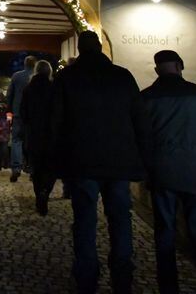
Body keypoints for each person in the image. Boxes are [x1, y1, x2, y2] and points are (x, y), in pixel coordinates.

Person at [50, 31, 149, 294]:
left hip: (82, 161)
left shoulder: (67, 78)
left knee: (84, 219)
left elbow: (55, 123)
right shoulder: (123, 76)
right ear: (101, 48)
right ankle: (122, 273)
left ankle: (86, 275)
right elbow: (139, 118)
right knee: (120, 217)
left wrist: (55, 159)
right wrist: (142, 157)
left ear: (80, 50)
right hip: (119, 162)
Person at [141, 50, 196, 294]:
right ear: (181, 66)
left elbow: (141, 139)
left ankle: (168, 286)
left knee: (165, 232)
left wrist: (148, 169)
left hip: (163, 174)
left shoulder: (146, 98)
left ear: (157, 69)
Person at [19, 59, 56, 215]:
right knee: (51, 167)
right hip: (51, 134)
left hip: (34, 134)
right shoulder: (53, 88)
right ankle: (45, 192)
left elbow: (23, 112)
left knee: (37, 168)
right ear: (49, 72)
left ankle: (38, 193)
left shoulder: (29, 89)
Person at [5, 55, 37, 182]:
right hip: (34, 115)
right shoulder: (37, 77)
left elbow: (10, 95)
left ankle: (16, 168)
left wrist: (9, 111)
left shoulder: (16, 76)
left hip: (18, 113)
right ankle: (32, 168)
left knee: (17, 141)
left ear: (25, 64)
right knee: (33, 142)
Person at [0, 97, 12, 171]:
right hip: (5, 134)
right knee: (4, 149)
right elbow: (10, 123)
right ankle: (6, 163)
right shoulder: (9, 114)